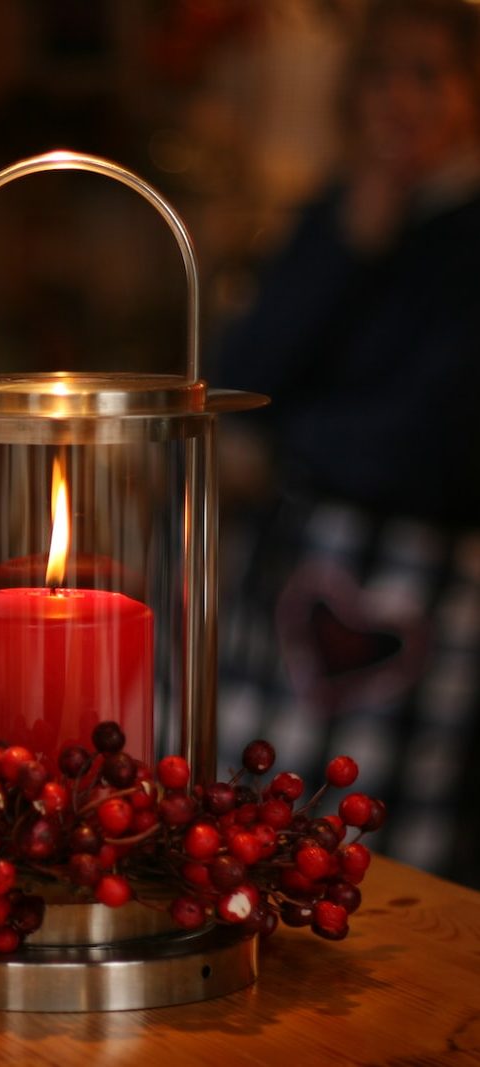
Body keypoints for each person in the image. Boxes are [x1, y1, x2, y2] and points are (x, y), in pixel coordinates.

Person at [215, 0, 480, 888]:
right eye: (378, 74)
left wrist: (285, 450)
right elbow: (241, 379)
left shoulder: (468, 237)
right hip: (291, 576)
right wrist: (349, 243)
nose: (397, 99)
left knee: (389, 850)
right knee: (257, 821)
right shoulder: (332, 216)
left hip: (424, 588)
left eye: (426, 75)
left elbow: (441, 435)